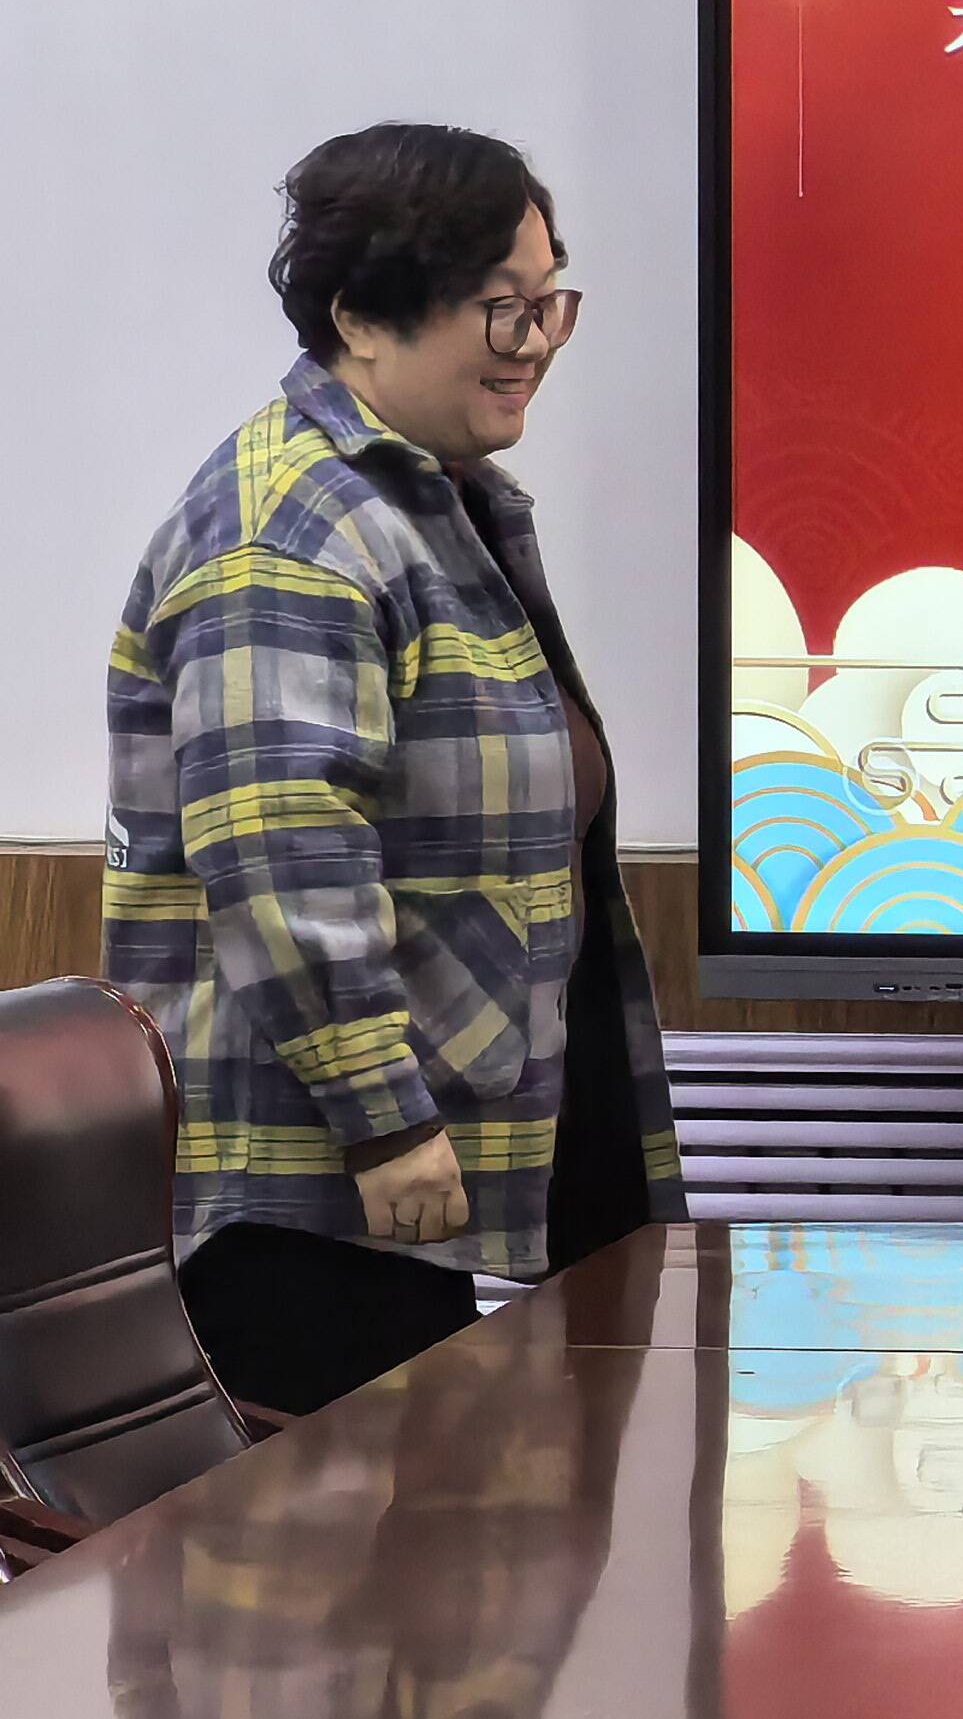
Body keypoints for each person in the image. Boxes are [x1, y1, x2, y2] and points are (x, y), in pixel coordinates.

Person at [106, 126, 685, 1418]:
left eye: (550, 301)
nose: (534, 341)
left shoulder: (429, 501)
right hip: (316, 1204)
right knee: (333, 1550)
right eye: (501, 306)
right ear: (361, 318)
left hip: (406, 1197)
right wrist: (386, 1115)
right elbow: (281, 846)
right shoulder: (294, 524)